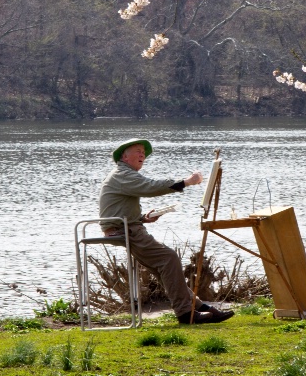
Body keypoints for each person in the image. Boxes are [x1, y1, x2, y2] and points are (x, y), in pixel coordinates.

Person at [99, 138, 234, 325]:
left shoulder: (125, 174)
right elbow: (150, 187)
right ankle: (186, 314)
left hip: (128, 227)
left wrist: (143, 218)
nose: (142, 155)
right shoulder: (123, 174)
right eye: (137, 151)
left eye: (143, 153)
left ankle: (201, 308)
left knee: (165, 267)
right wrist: (185, 182)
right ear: (124, 156)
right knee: (169, 258)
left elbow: (120, 207)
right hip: (124, 230)